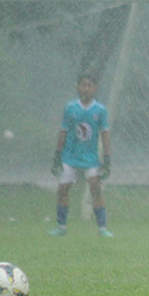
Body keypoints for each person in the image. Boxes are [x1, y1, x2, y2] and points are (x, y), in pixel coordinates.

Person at [47, 72, 113, 237]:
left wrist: (107, 156)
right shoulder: (70, 107)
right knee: (63, 189)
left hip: (90, 158)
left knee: (95, 189)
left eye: (89, 85)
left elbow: (105, 133)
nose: (86, 88)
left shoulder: (100, 110)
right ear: (78, 87)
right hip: (70, 155)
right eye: (83, 85)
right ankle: (61, 227)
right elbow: (63, 131)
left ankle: (102, 228)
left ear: (95, 88)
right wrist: (57, 154)